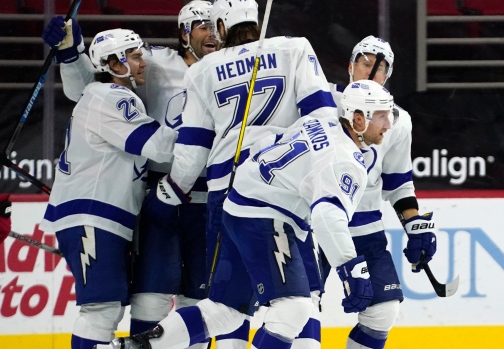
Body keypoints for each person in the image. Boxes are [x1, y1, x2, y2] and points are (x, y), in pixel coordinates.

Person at [101, 79, 394, 349]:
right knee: (294, 306)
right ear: (358, 118)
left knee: (226, 311)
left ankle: (138, 346)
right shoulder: (346, 161)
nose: (388, 123)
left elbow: (268, 141)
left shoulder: (320, 121)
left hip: (237, 205)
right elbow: (327, 217)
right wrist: (350, 269)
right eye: (381, 115)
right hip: (265, 217)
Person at [143, 0, 338, 348]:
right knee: (302, 297)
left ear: (220, 28)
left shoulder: (203, 70)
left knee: (226, 305)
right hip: (283, 191)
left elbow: (193, 150)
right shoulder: (295, 48)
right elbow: (323, 119)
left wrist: (171, 191)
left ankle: (142, 344)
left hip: (226, 195)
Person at [41, 3, 218, 347]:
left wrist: (71, 51)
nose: (143, 63)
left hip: (113, 214)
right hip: (97, 213)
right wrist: (71, 54)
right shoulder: (114, 95)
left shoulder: (115, 92)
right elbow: (158, 145)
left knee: (108, 309)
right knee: (102, 311)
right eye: (134, 57)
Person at [325, 35, 438, 349]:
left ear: (387, 76)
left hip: (365, 229)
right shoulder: (320, 103)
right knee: (297, 312)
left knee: (383, 311)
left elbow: (398, 181)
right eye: (365, 63)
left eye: (381, 68)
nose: (372, 72)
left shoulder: (398, 122)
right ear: (350, 66)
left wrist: (415, 226)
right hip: (312, 227)